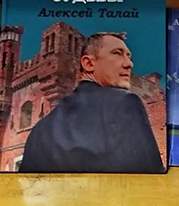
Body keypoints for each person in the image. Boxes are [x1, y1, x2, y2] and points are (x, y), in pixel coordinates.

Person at [19, 32, 164, 173]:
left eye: (128, 56)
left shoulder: (39, 129)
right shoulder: (125, 103)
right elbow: (150, 179)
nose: (129, 64)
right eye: (117, 53)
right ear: (88, 64)